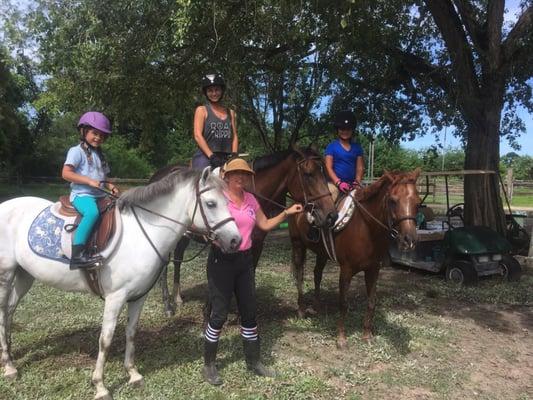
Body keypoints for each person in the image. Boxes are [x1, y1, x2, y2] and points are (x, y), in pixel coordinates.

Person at [202, 158, 303, 385]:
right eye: (235, 174)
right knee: (218, 314)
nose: (240, 178)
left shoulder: (251, 200)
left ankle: (254, 361)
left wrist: (287, 213)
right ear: (226, 176)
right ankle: (209, 364)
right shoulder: (218, 198)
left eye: (244, 175)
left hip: (244, 261)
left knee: (249, 312)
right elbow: (206, 222)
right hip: (222, 261)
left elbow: (265, 224)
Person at [61, 111, 119, 270]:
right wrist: (88, 181)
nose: (98, 138)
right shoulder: (76, 151)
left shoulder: (100, 155)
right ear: (84, 131)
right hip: (82, 195)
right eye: (95, 133)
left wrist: (111, 186)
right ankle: (77, 254)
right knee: (92, 213)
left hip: (100, 194)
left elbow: (104, 177)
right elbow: (66, 173)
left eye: (102, 135)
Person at [192, 72, 238, 170]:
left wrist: (234, 155)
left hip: (226, 157)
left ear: (222, 91)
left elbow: (234, 136)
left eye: (217, 90)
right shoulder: (202, 110)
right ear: (206, 92)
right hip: (205, 156)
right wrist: (211, 156)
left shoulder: (231, 113)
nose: (214, 93)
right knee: (203, 180)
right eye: (210, 90)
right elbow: (197, 135)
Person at [324, 110, 365, 202]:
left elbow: (360, 168)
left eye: (348, 129)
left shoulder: (357, 148)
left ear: (352, 130)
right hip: (334, 184)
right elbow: (328, 167)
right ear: (337, 130)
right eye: (342, 129)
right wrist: (338, 183)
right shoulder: (331, 147)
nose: (345, 131)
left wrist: (357, 182)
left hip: (353, 185)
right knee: (331, 195)